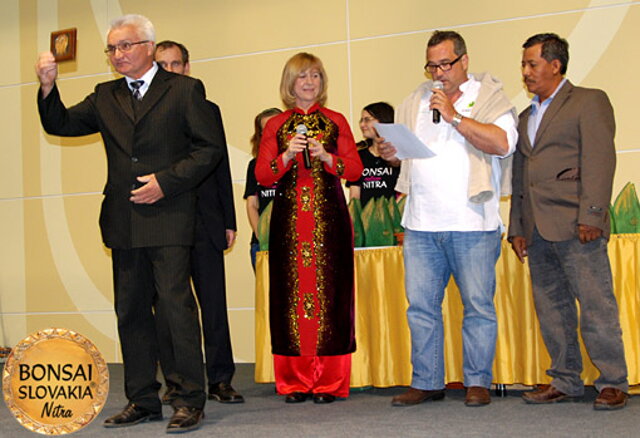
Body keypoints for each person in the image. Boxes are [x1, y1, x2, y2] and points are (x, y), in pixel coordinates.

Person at [35, 15, 221, 432]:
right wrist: (48, 86)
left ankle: (189, 399)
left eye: (125, 46)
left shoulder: (185, 90)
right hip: (123, 218)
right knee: (131, 312)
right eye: (112, 49)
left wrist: (166, 183)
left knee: (176, 309)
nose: (118, 55)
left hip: (170, 214)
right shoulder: (105, 95)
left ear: (149, 47)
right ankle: (142, 400)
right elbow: (60, 123)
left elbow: (208, 150)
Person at [377, 30, 517, 407]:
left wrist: (455, 117)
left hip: (472, 223)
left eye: (445, 64)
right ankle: (426, 381)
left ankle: (477, 382)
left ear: (464, 60)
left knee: (478, 306)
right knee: (421, 308)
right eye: (432, 65)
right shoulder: (416, 101)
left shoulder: (489, 98)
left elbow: (502, 143)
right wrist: (391, 152)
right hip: (421, 223)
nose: (438, 73)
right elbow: (407, 155)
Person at [508, 33, 629, 410]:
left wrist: (592, 214)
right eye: (524, 64)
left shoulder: (589, 101)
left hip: (578, 225)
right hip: (538, 230)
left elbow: (599, 160)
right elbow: (520, 175)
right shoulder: (526, 115)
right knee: (551, 308)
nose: (525, 71)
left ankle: (612, 381)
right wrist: (517, 228)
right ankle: (565, 379)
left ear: (555, 65)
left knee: (596, 306)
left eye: (532, 64)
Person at [255, 52, 363, 404]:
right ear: (290, 83)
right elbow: (262, 175)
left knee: (331, 297)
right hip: (288, 223)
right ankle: (295, 382)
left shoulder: (335, 121)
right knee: (289, 298)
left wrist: (328, 158)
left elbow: (356, 170)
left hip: (329, 222)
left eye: (316, 76)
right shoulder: (276, 125)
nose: (310, 82)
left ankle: (329, 383)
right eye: (302, 77)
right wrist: (287, 155)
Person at [153, 40, 243, 404]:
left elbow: (219, 164)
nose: (172, 71)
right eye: (164, 65)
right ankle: (175, 382)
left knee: (214, 304)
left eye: (177, 64)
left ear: (188, 68)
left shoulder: (208, 108)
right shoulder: (145, 114)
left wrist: (229, 218)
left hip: (206, 219)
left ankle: (221, 380)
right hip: (163, 222)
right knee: (170, 309)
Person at [243, 108, 282, 270]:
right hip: (263, 245)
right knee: (266, 295)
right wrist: (262, 236)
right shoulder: (255, 165)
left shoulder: (300, 162)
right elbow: (252, 205)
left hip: (297, 244)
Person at [346, 102, 399, 207]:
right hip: (365, 220)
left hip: (395, 219)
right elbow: (354, 197)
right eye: (361, 120)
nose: (362, 125)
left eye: (367, 119)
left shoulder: (399, 155)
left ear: (383, 120)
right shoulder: (358, 156)